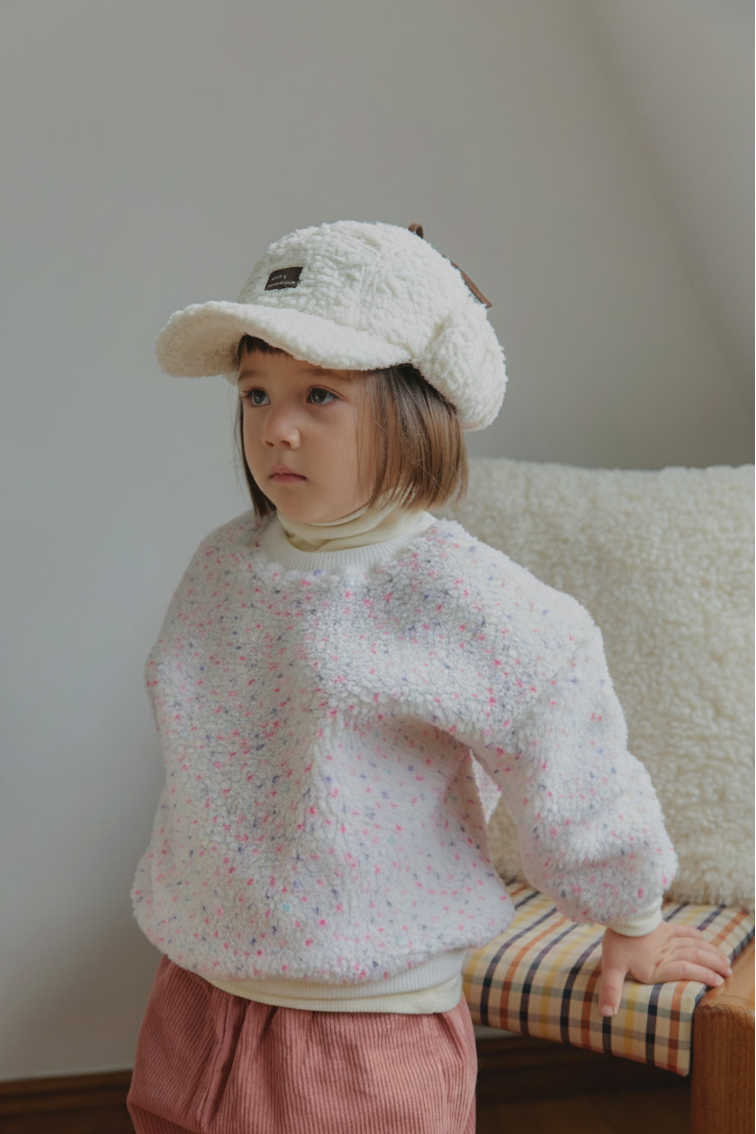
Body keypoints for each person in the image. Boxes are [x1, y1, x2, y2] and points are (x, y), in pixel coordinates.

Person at [127, 221, 730, 1134]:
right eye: (256, 393)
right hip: (197, 988)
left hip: (364, 1027)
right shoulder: (227, 566)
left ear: (418, 411)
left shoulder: (461, 598)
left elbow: (568, 753)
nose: (275, 426)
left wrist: (631, 915)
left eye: (320, 393)